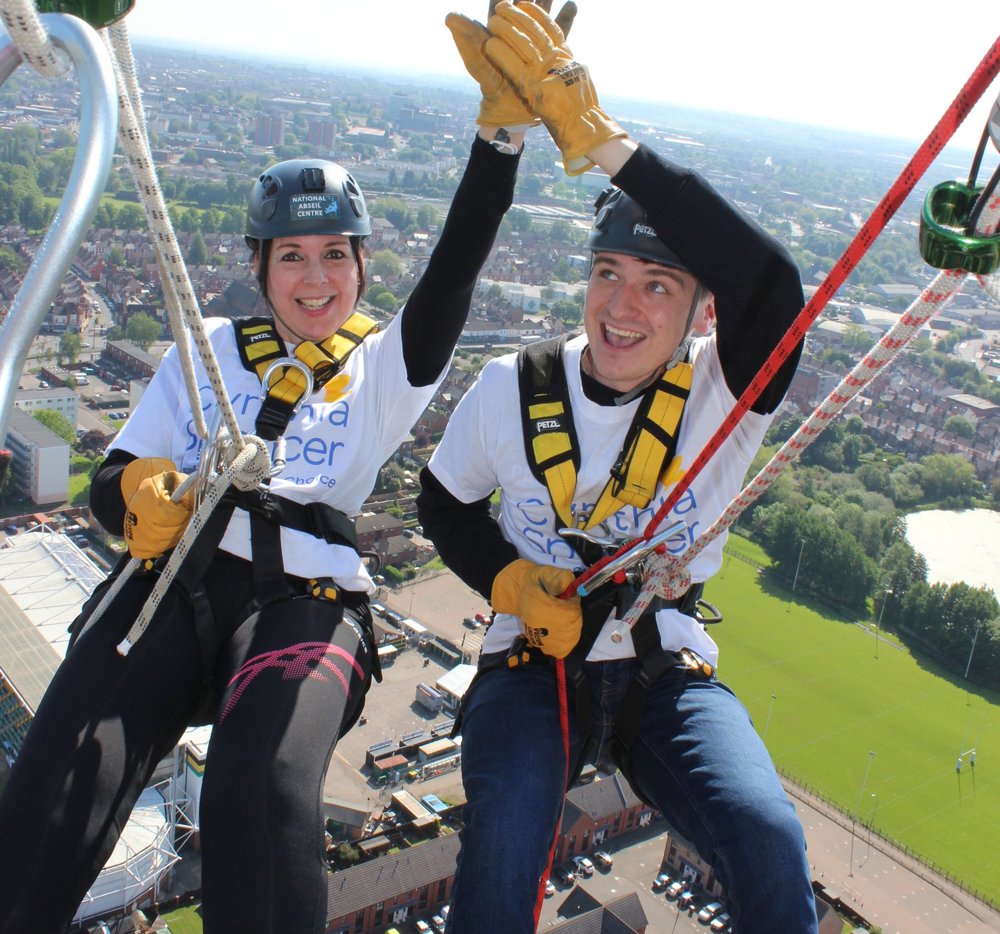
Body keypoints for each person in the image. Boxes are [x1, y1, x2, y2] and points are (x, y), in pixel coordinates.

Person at [0, 8, 547, 927]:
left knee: (262, 788)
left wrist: (497, 145)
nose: (317, 277)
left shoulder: (385, 368)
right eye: (292, 255)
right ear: (259, 266)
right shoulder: (205, 349)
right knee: (65, 771)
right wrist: (138, 492)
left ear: (363, 266)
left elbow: (454, 272)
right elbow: (111, 478)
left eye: (336, 254)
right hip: (171, 582)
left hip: (308, 601)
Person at [416, 3, 818, 932]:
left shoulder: (725, 397)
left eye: (658, 284)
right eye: (608, 273)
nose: (622, 304)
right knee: (503, 847)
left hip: (660, 670)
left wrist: (607, 146)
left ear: (700, 314)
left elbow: (772, 286)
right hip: (530, 665)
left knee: (767, 840)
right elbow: (443, 505)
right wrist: (509, 579)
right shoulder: (512, 387)